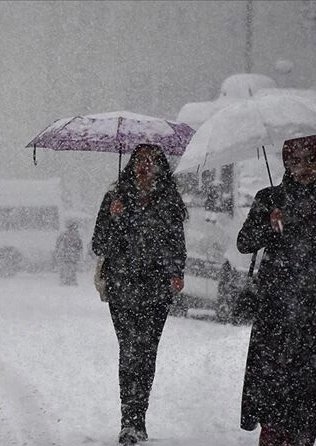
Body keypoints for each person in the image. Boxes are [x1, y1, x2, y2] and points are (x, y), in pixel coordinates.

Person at [236, 134, 316, 446]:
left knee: (310, 401)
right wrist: (269, 225)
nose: (303, 167)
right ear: (286, 163)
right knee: (273, 396)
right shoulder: (269, 199)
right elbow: (244, 243)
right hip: (277, 316)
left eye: (310, 159)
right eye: (295, 160)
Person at [91, 143, 187, 445]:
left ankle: (138, 417)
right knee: (129, 350)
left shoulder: (168, 201)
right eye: (140, 161)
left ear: (161, 167)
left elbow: (176, 244)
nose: (144, 167)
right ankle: (128, 421)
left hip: (156, 289)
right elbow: (98, 244)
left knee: (146, 353)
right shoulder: (115, 198)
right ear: (131, 165)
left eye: (151, 161)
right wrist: (114, 217)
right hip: (122, 286)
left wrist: (175, 273)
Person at [54, 220, 83, 285]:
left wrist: (58, 249)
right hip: (71, 254)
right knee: (70, 268)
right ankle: (69, 280)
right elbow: (80, 246)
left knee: (68, 268)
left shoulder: (66, 234)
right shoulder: (75, 235)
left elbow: (58, 242)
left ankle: (67, 280)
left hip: (68, 253)